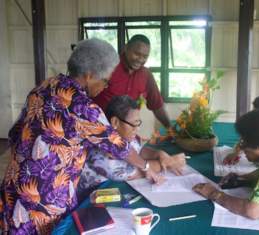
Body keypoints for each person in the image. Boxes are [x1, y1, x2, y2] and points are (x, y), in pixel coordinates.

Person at [0, 38, 170, 234]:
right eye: (105, 81)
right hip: (44, 203)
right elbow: (119, 147)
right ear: (89, 76)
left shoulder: (42, 87)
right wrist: (146, 167)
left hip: (13, 192)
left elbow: (14, 134)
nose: (105, 87)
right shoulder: (84, 108)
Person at [76, 95, 186, 200]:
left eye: (138, 123)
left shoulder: (121, 136)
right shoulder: (100, 151)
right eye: (133, 124)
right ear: (115, 122)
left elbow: (139, 150)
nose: (137, 128)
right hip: (86, 202)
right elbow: (134, 171)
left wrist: (161, 154)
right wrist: (168, 163)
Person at [91, 34, 171, 127]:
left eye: (145, 56)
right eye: (137, 54)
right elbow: (86, 95)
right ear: (126, 48)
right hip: (100, 130)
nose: (140, 60)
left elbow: (157, 105)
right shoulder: (108, 68)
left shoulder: (146, 75)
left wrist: (171, 129)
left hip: (128, 134)